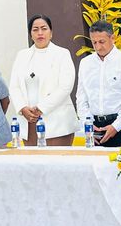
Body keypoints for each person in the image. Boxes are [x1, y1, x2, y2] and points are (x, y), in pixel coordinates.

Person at [9, 14, 79, 146]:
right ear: (31, 34)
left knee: (56, 158)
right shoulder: (22, 56)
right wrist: (22, 108)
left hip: (58, 122)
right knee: (32, 159)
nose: (40, 33)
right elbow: (14, 86)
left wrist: (41, 108)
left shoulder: (62, 54)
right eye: (35, 29)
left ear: (51, 33)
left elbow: (65, 87)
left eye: (44, 28)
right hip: (29, 121)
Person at [76, 20, 121, 147]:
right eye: (94, 42)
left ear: (113, 38)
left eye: (102, 42)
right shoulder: (85, 63)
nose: (98, 47)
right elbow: (81, 98)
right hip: (94, 129)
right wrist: (87, 125)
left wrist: (116, 126)